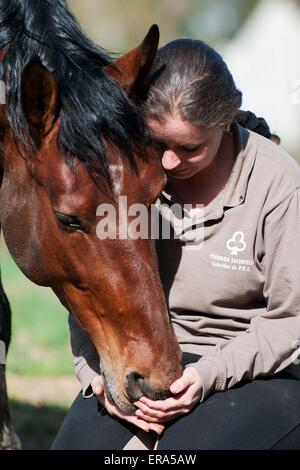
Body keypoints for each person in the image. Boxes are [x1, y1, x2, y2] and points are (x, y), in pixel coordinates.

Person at [51, 39, 300, 450]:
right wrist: (98, 377)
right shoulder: (123, 178)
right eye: (157, 143)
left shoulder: (280, 187)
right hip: (146, 365)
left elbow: (292, 319)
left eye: (188, 148)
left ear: (225, 120)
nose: (168, 163)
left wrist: (208, 375)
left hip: (260, 372)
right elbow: (92, 279)